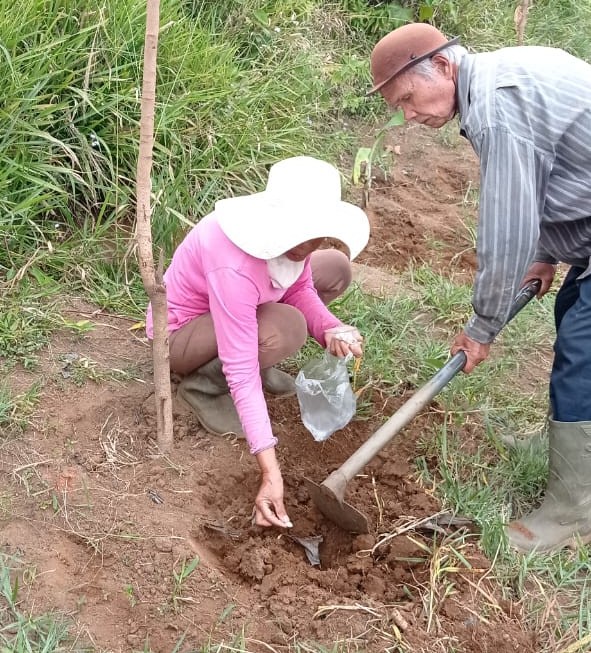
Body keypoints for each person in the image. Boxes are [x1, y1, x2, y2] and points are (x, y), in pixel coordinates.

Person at [368, 23, 591, 553]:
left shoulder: (497, 109)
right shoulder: (497, 77)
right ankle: (571, 444)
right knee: (573, 308)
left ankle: (575, 509)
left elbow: (504, 232)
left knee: (582, 350)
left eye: (408, 98)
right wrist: (547, 253)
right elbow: (553, 172)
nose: (409, 116)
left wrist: (482, 328)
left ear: (443, 66)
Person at [145, 156, 370, 530]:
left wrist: (331, 327)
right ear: (280, 219)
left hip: (229, 314)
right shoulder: (235, 260)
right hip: (179, 338)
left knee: (335, 268)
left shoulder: (294, 238)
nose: (311, 243)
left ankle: (260, 350)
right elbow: (240, 367)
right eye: (305, 234)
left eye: (318, 233)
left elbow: (299, 286)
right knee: (286, 327)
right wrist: (271, 472)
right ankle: (204, 387)